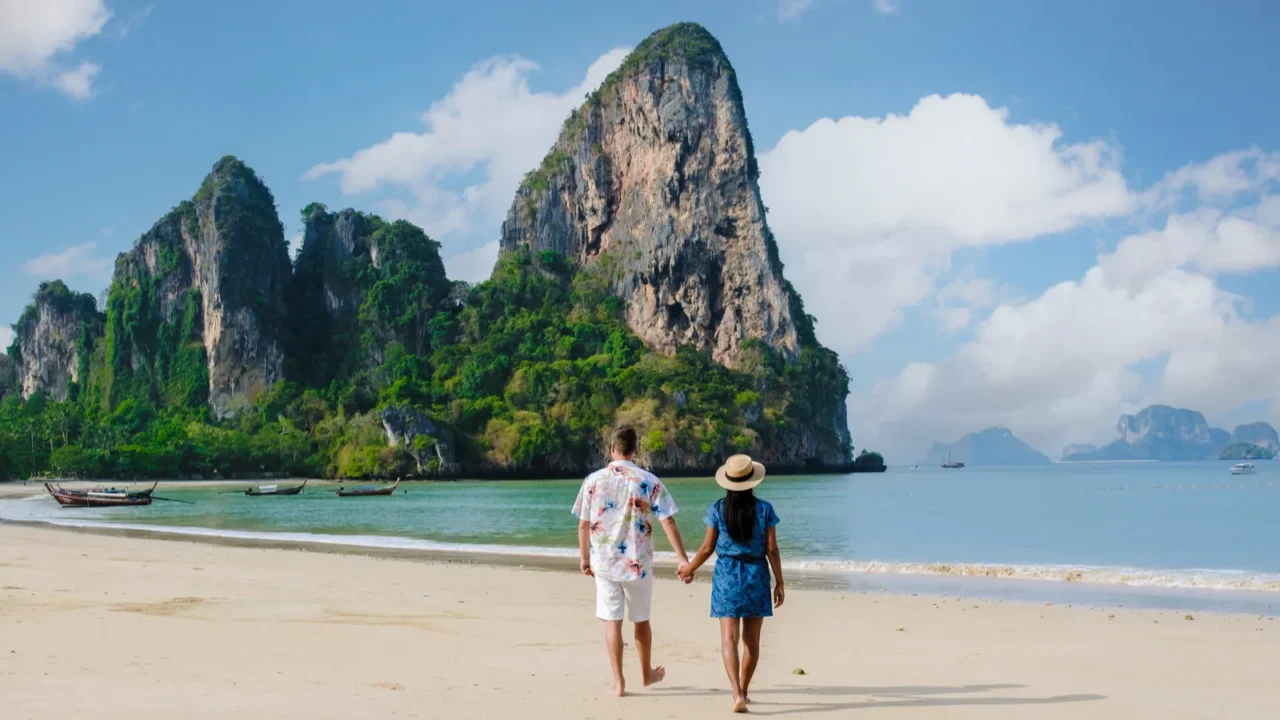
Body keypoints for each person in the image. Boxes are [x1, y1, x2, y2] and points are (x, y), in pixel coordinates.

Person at [573, 426, 691, 698]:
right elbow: (668, 520)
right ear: (635, 449)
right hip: (638, 563)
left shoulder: (593, 480)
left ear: (612, 449)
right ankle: (646, 673)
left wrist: (584, 558)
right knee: (641, 620)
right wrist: (683, 559)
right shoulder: (647, 479)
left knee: (612, 621)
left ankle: (618, 683)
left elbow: (583, 524)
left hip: (604, 563)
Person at [677, 454, 784, 714]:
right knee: (752, 641)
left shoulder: (717, 509)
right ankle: (745, 692)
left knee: (729, 638)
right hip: (756, 574)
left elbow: (706, 548)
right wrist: (779, 582)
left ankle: (735, 692)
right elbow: (772, 549)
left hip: (726, 575)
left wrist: (689, 568)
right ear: (752, 481)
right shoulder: (765, 509)